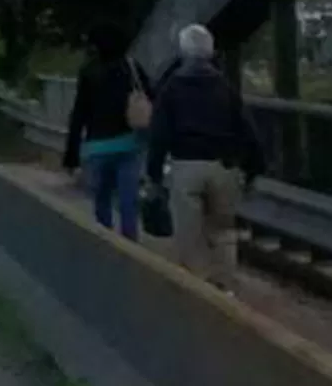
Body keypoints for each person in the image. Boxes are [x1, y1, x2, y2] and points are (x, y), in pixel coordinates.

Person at [148, 24, 265, 293]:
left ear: (182, 53)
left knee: (190, 234)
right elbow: (247, 129)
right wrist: (254, 169)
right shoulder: (225, 86)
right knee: (223, 231)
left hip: (186, 166)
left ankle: (198, 288)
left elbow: (159, 135)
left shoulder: (172, 87)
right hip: (223, 166)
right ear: (211, 52)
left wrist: (154, 174)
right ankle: (226, 286)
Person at [64, 22, 152, 240]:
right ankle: (130, 241)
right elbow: (151, 95)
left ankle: (105, 239)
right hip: (129, 143)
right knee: (127, 199)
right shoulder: (131, 67)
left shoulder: (89, 71)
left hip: (97, 146)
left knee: (101, 198)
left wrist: (71, 155)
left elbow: (79, 114)